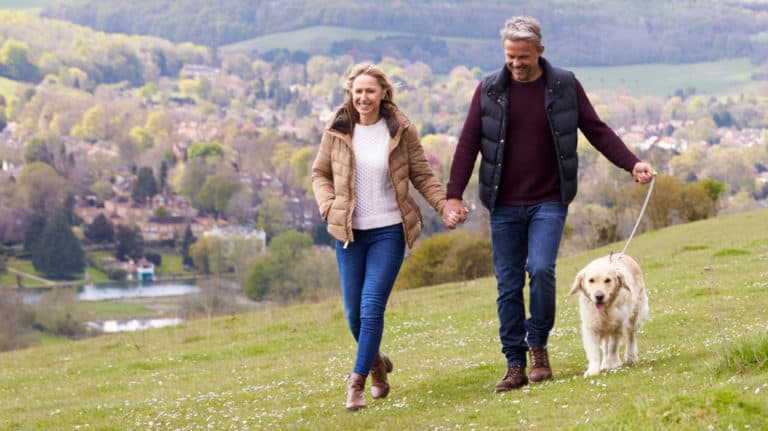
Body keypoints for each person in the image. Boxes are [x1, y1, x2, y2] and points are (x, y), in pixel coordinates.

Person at [444, 16, 656, 392]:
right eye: (510, 56)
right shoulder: (488, 90)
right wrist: (453, 195)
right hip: (503, 203)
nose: (516, 63)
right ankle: (514, 364)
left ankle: (538, 348)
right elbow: (468, 143)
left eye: (523, 56)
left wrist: (632, 162)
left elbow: (596, 129)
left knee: (541, 270)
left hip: (549, 199)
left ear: (540, 51)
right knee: (508, 284)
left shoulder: (564, 85)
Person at [312, 64, 461, 411]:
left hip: (389, 231)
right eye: (358, 92)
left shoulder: (400, 130)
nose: (364, 98)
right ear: (351, 94)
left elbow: (422, 174)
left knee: (371, 308)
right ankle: (378, 364)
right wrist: (327, 206)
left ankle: (357, 382)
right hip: (349, 232)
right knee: (353, 314)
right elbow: (320, 173)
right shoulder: (337, 130)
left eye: (370, 91)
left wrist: (444, 207)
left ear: (383, 94)